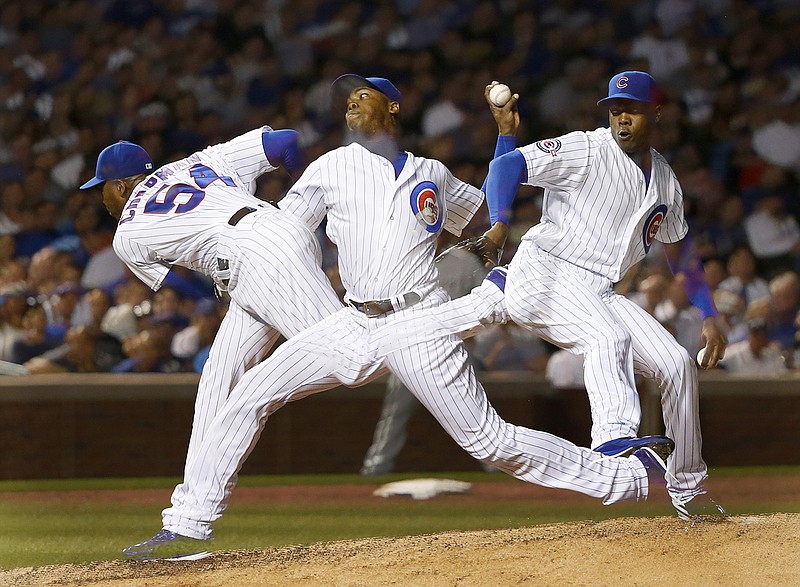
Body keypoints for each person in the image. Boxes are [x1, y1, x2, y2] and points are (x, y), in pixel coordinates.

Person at [122, 75, 675, 561]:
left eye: (362, 97)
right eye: (345, 103)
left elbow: (482, 212)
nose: (350, 108)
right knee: (247, 395)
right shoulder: (330, 167)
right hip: (356, 322)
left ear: (392, 108)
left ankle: (625, 479)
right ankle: (188, 527)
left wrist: (506, 135)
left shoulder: (430, 170)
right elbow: (283, 235)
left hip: (422, 323)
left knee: (489, 443)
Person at [475, 71, 728, 521]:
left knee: (675, 365)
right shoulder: (587, 149)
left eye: (630, 108)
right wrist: (498, 218)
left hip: (597, 288)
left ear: (656, 112)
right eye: (614, 109)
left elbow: (681, 250)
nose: (621, 117)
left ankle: (689, 489)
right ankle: (613, 446)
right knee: (607, 339)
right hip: (547, 272)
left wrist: (708, 314)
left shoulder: (665, 179)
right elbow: (506, 167)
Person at [78, 127, 346, 529]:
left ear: (119, 186)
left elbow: (177, 285)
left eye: (102, 188)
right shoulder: (197, 162)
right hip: (276, 234)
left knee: (346, 356)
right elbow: (286, 142)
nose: (101, 198)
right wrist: (293, 215)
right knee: (218, 381)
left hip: (257, 261)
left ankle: (429, 324)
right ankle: (188, 519)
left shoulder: (127, 235)